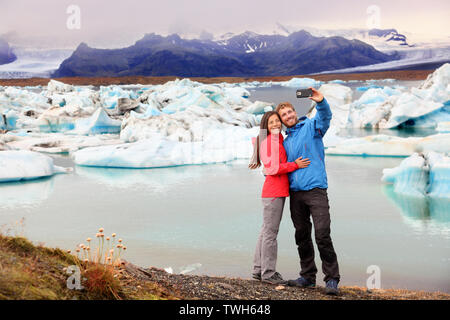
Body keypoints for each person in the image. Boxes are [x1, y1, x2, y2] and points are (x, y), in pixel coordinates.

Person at [275, 87, 340, 295]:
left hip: (316, 189)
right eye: (284, 115)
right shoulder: (286, 141)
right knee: (301, 235)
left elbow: (325, 117)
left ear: (295, 112)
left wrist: (321, 102)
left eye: (290, 112)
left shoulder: (312, 127)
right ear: (282, 120)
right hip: (296, 193)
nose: (288, 116)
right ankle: (307, 276)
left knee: (322, 233)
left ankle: (331, 279)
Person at [249, 111, 311, 285]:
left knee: (265, 231)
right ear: (266, 127)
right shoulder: (271, 142)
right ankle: (268, 274)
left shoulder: (277, 140)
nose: (276, 124)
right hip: (274, 192)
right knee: (270, 234)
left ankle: (257, 270)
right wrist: (295, 165)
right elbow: (274, 168)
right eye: (271, 123)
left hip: (275, 192)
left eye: (277, 121)